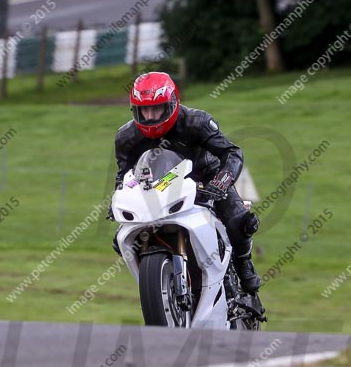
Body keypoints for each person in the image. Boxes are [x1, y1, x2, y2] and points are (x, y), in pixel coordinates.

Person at [110, 71, 261, 294]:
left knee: (240, 222)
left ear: (172, 104)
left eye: (157, 109)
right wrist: (118, 200)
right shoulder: (126, 137)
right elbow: (124, 176)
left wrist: (222, 180)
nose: (150, 117)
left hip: (206, 179)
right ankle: (160, 281)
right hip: (159, 185)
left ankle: (243, 262)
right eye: (144, 110)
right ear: (135, 109)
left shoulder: (197, 122)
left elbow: (232, 152)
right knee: (122, 240)